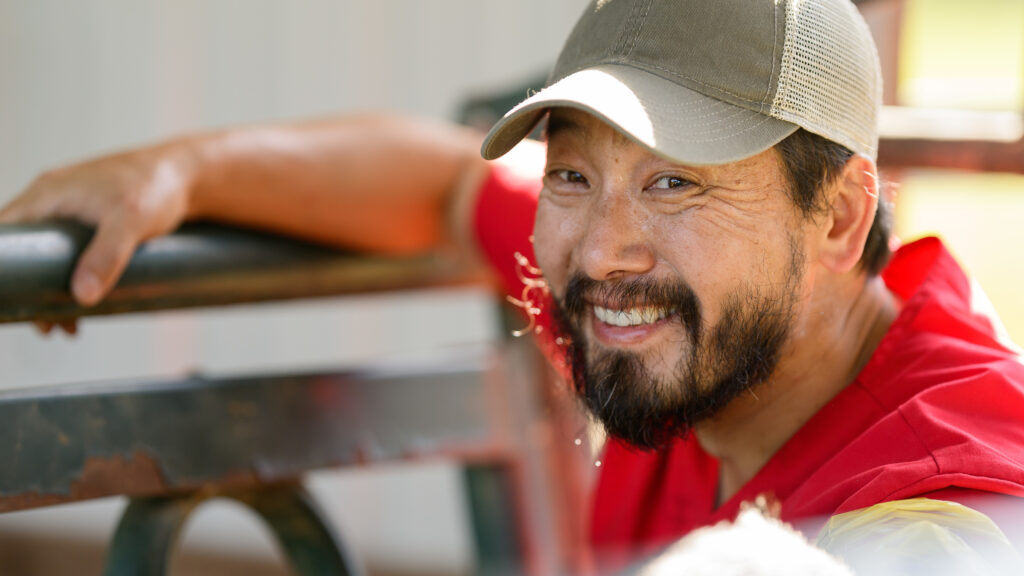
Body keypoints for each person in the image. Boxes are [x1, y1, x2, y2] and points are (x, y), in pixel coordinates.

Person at [3, 0, 1024, 572]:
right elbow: (449, 185)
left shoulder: (944, 499)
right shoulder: (699, 329)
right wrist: (181, 173)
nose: (601, 250)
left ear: (839, 215)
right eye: (573, 174)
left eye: (677, 182)